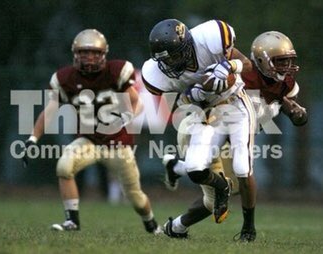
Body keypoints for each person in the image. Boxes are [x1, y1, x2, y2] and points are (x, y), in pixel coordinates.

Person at [161, 31, 307, 242]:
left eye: (288, 61)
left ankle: (176, 170)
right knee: (215, 198)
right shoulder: (238, 75)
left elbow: (280, 100)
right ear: (260, 61)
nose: (286, 66)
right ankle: (176, 225)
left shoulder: (284, 83)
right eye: (280, 61)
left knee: (236, 187)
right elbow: (196, 95)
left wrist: (295, 111)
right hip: (201, 126)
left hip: (226, 138)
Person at [22, 29, 161, 234]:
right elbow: (49, 111)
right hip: (89, 141)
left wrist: (125, 117)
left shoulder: (116, 71)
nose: (89, 57)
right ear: (75, 54)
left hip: (118, 144)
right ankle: (72, 221)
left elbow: (136, 102)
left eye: (95, 53)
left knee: (135, 196)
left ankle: (151, 223)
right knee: (64, 167)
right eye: (84, 52)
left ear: (104, 54)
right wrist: (33, 138)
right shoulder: (65, 78)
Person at [141, 19, 257, 240]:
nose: (170, 63)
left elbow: (248, 66)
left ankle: (248, 229)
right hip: (206, 113)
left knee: (242, 166)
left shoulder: (209, 39)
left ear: (186, 46)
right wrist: (191, 96)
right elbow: (177, 102)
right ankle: (220, 186)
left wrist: (230, 66)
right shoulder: (157, 73)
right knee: (195, 168)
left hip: (235, 104)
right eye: (165, 59)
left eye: (174, 55)